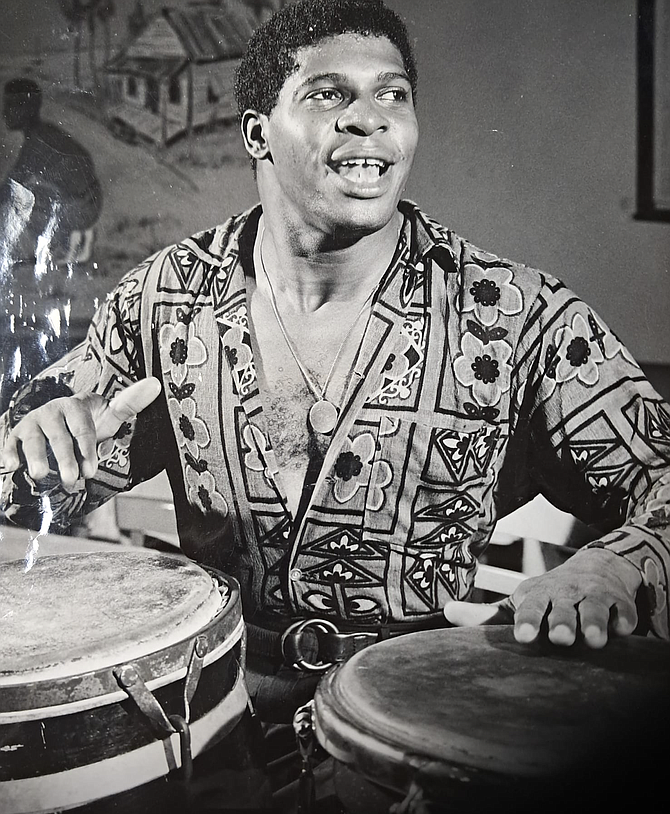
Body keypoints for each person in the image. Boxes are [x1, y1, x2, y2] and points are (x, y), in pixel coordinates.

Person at [0, 0, 668, 728]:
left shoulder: (517, 317)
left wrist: (621, 564)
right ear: (258, 133)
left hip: (417, 735)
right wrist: (37, 451)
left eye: (393, 94)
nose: (370, 117)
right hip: (207, 726)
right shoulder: (164, 299)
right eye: (329, 94)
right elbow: (26, 480)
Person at [0, 78, 102, 413]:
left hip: (80, 208)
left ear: (27, 108)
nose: (5, 112)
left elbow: (14, 189)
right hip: (76, 205)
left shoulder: (40, 144)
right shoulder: (38, 140)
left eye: (12, 105)